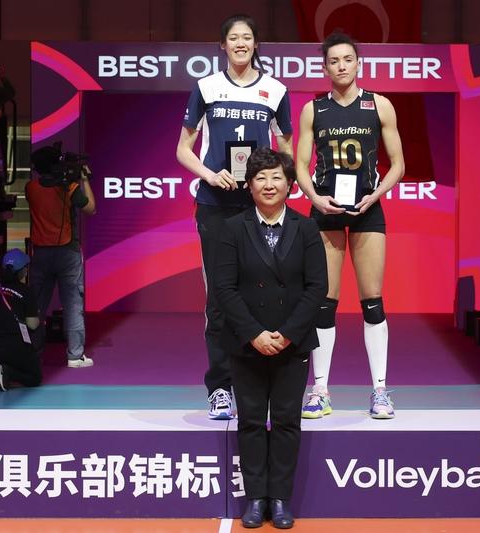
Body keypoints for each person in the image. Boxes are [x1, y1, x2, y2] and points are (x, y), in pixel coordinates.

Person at [175, 14, 293, 420]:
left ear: (256, 44)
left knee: (264, 294)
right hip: (215, 206)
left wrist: (276, 183)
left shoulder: (275, 90)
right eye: (233, 38)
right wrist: (210, 175)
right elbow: (184, 149)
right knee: (220, 299)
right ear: (222, 45)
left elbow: (286, 150)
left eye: (247, 37)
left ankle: (258, 385)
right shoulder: (206, 87)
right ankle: (220, 388)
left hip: (261, 208)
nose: (241, 43)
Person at [214, 147, 327, 529]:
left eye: (277, 177)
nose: (268, 184)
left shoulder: (306, 229)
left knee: (286, 421)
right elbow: (224, 289)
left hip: (292, 344)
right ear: (249, 185)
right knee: (249, 421)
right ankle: (255, 499)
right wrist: (254, 334)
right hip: (246, 343)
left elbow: (317, 288)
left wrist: (288, 334)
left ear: (290, 185)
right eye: (260, 177)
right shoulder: (232, 229)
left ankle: (280, 499)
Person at [295, 31, 405, 420]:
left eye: (347, 59)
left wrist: (375, 196)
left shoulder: (380, 105)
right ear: (324, 68)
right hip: (326, 208)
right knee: (324, 302)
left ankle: (380, 391)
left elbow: (399, 164)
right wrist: (314, 197)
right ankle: (320, 390)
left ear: (358, 63)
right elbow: (301, 165)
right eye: (333, 61)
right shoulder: (314, 109)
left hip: (366, 209)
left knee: (372, 301)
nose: (341, 66)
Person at [25, 144, 96, 368]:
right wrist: (84, 180)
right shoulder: (69, 188)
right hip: (67, 253)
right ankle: (75, 356)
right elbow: (91, 208)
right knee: (73, 305)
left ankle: (32, 355)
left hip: (40, 254)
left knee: (36, 307)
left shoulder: (30, 188)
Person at [0, 249, 42, 391]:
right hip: (13, 346)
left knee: (6, 351)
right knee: (35, 377)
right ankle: (8, 373)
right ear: (23, 271)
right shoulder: (25, 291)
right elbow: (32, 325)